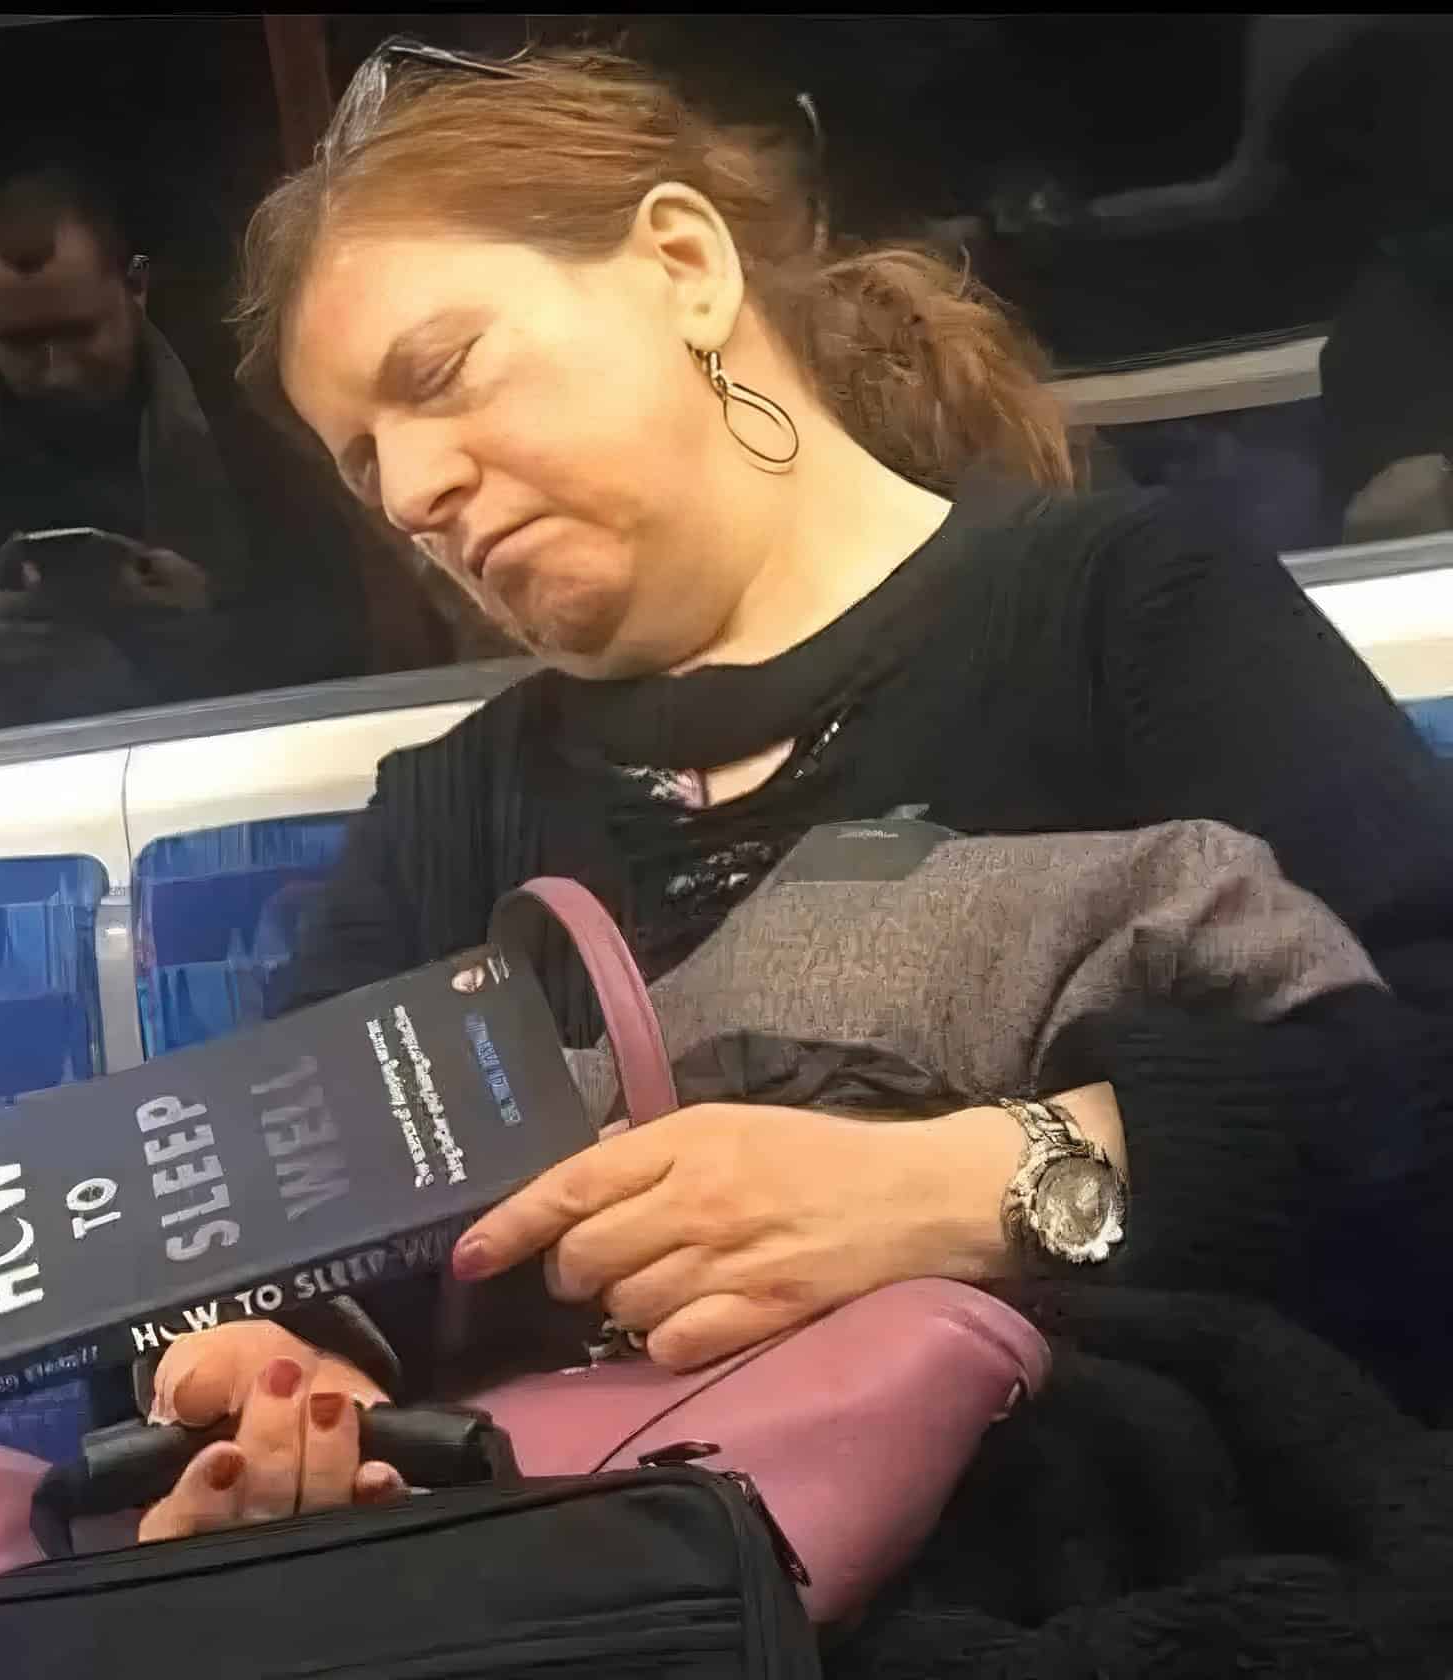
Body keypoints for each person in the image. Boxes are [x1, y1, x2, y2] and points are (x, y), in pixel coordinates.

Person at [136, 42, 1453, 1670]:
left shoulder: (1130, 614)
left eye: (444, 372)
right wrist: (271, 1382)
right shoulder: (450, 818)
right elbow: (241, 1228)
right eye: (361, 462)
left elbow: (1422, 1090)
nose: (413, 492)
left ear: (685, 267)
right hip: (629, 1601)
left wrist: (979, 1186)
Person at [0, 162, 373, 723]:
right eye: (18, 342)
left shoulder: (254, 414)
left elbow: (355, 636)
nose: (58, 371)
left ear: (137, 286)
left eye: (80, 331)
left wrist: (220, 625)